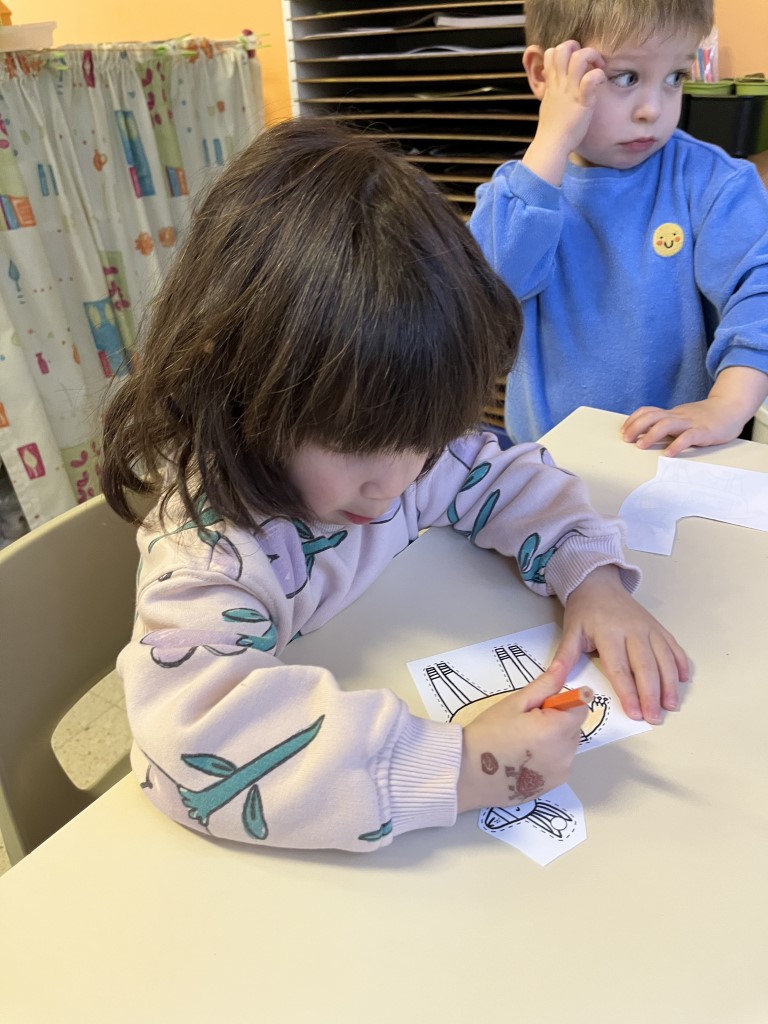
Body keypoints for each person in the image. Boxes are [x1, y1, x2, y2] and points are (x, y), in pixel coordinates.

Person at [101, 118, 687, 853]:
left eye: (425, 439)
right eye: (358, 447)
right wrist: (465, 768)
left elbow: (497, 472)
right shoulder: (208, 552)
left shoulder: (395, 449)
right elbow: (191, 745)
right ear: (238, 385)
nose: (398, 482)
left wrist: (592, 579)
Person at [470, 0, 768, 456]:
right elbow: (487, 295)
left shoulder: (715, 182)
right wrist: (552, 138)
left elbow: (758, 293)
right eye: (625, 78)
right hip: (549, 457)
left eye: (675, 77)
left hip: (674, 453)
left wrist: (726, 404)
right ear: (544, 74)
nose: (652, 109)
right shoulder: (517, 193)